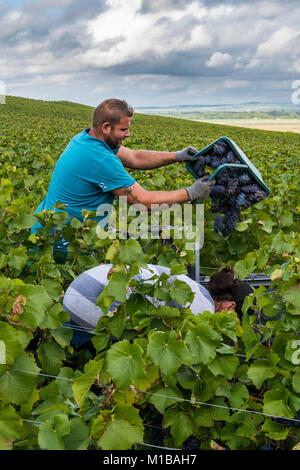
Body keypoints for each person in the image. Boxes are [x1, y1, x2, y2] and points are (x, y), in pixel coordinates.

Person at [31, 98, 215, 234]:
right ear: (105, 127)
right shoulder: (100, 159)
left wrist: (177, 156)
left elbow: (135, 157)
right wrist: (191, 193)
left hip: (54, 229)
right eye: (123, 129)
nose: (128, 134)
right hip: (62, 242)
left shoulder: (86, 140)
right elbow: (143, 201)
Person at [62, 264, 254, 348]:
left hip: (78, 288)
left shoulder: (191, 287)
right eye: (236, 323)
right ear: (230, 307)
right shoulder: (202, 309)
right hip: (91, 299)